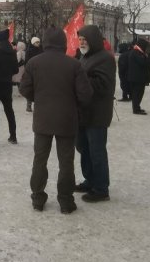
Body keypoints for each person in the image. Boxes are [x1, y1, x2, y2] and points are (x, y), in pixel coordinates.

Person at [20, 27, 92, 214]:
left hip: (43, 118)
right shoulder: (74, 65)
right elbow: (85, 95)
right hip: (67, 119)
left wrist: (40, 98)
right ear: (64, 42)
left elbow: (24, 89)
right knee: (66, 161)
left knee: (39, 159)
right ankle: (66, 201)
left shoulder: (34, 62)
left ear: (44, 42)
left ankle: (38, 198)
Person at [75, 25, 116, 203]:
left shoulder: (105, 58)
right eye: (80, 39)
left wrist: (78, 77)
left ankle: (101, 188)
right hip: (83, 112)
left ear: (93, 40)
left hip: (97, 113)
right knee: (83, 148)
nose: (82, 42)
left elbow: (103, 85)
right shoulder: (85, 57)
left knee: (96, 151)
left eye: (85, 39)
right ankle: (89, 180)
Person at [0, 29, 18, 145]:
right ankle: (13, 136)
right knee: (9, 110)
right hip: (7, 84)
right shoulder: (12, 52)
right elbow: (16, 69)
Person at [127, 38, 150, 115]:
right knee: (137, 93)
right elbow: (143, 62)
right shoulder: (136, 52)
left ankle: (137, 107)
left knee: (139, 93)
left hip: (138, 77)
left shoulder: (138, 52)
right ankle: (136, 109)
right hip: (137, 77)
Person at [24, 36, 43, 112]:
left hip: (40, 71)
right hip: (32, 72)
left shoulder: (41, 50)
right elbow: (27, 62)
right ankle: (29, 105)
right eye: (36, 42)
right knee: (31, 89)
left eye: (38, 42)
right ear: (33, 43)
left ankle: (38, 105)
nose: (38, 44)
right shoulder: (29, 51)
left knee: (39, 89)